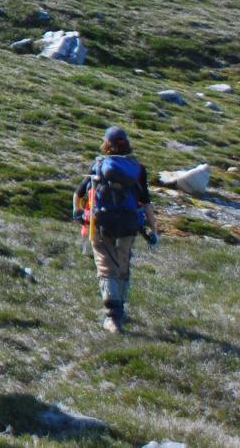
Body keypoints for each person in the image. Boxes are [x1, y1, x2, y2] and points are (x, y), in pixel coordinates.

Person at [73, 125, 156, 334]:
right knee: (123, 263)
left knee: (105, 266)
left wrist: (77, 212)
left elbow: (79, 193)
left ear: (106, 145)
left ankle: (113, 317)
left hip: (101, 222)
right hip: (129, 224)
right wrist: (153, 230)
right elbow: (146, 203)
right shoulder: (138, 169)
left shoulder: (99, 164)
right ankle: (121, 308)